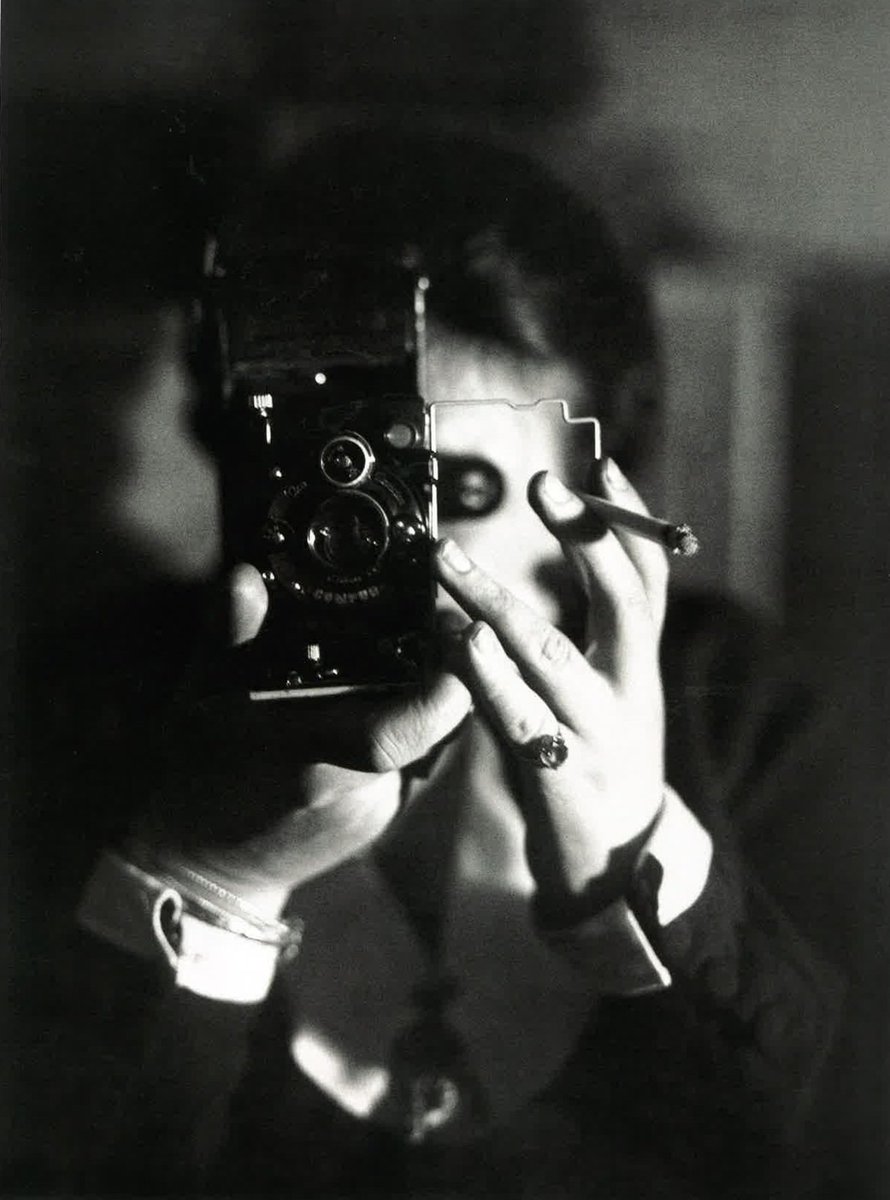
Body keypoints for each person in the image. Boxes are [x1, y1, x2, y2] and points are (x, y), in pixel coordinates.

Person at [9, 126, 843, 1199]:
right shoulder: (71, 700)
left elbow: (837, 1151)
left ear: (591, 495)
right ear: (229, 448)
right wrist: (210, 878)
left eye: (455, 491)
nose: (390, 541)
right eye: (339, 478)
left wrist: (639, 868)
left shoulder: (747, 713)